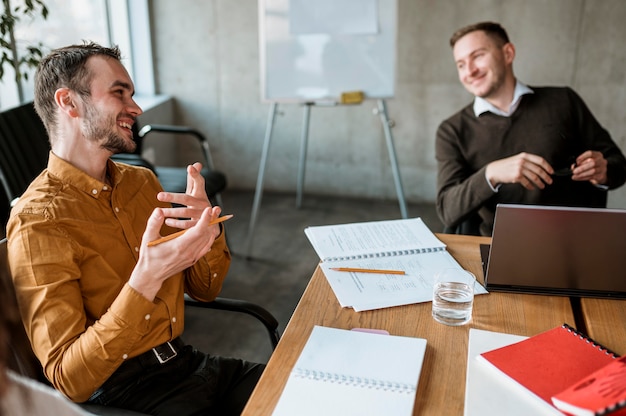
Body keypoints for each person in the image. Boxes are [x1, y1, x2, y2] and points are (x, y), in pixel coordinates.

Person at [6, 42, 263, 415]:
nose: (136, 108)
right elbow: (70, 378)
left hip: (188, 365)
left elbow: (205, 290)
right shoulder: (39, 221)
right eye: (118, 93)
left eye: (133, 94)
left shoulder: (141, 182)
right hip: (126, 396)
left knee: (305, 391)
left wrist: (207, 234)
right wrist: (144, 280)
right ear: (69, 102)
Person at [436, 21, 626, 236]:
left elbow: (619, 165)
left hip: (577, 240)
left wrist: (603, 171)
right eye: (460, 64)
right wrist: (491, 174)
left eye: (478, 56)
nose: (469, 71)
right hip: (501, 246)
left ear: (508, 53)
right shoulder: (452, 130)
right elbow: (447, 210)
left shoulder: (564, 100)